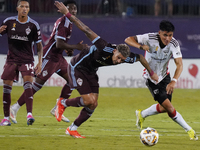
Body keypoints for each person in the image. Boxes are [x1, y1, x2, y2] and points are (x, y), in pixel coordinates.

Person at [53, 1, 158, 138]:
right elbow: (86, 30)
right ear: (114, 51)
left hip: (91, 71)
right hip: (78, 67)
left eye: (122, 60)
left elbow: (140, 58)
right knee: (88, 100)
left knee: (93, 104)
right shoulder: (104, 46)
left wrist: (151, 72)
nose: (119, 61)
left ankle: (72, 128)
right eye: (118, 58)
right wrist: (67, 14)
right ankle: (62, 102)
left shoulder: (126, 57)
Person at [9, 0, 88, 124]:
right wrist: (76, 47)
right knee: (36, 86)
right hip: (49, 57)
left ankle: (58, 108)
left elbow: (61, 43)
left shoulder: (69, 22)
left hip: (58, 58)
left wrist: (68, 49)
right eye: (70, 9)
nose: (73, 11)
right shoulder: (63, 23)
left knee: (73, 80)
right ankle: (14, 108)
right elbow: (58, 43)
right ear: (64, 10)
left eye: (75, 9)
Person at [125, 20, 198, 140]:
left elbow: (179, 64)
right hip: (151, 78)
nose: (168, 38)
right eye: (165, 35)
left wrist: (174, 81)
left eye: (170, 35)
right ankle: (190, 130)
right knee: (169, 108)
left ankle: (141, 114)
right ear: (159, 33)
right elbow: (128, 39)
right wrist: (140, 46)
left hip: (165, 77)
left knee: (165, 108)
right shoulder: (149, 38)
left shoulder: (174, 44)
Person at [0, 0, 43, 126]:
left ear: (29, 9)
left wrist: (39, 62)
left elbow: (39, 46)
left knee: (28, 84)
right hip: (12, 59)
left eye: (27, 7)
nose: (25, 9)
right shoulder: (9, 22)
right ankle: (6, 118)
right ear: (17, 8)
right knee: (6, 88)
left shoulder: (33, 25)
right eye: (22, 6)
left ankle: (29, 114)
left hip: (27, 59)